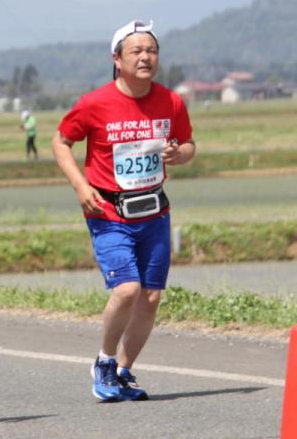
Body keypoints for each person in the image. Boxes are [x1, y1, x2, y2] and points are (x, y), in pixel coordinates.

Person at [52, 20, 195, 401]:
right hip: (108, 211)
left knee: (150, 297)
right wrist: (81, 187)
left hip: (154, 211)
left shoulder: (171, 101)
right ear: (117, 59)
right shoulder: (94, 103)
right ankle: (103, 361)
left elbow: (189, 145)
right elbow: (60, 141)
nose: (146, 57)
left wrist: (179, 154)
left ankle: (124, 370)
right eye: (137, 51)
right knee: (128, 289)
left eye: (152, 51)